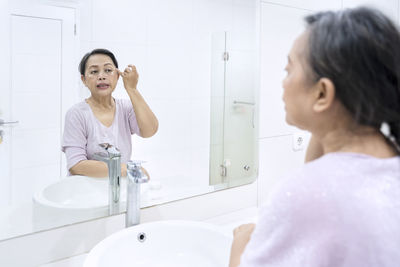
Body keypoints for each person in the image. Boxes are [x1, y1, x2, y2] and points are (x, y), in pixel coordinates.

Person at [229, 7, 400, 267]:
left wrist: (238, 247)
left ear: (322, 94)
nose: (283, 83)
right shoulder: (387, 163)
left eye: (289, 70)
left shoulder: (307, 194)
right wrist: (326, 124)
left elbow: (319, 187)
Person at [62, 48, 158, 177]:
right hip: (83, 190)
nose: (101, 76)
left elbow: (149, 130)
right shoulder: (77, 114)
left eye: (108, 70)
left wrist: (132, 89)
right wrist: (127, 169)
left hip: (117, 187)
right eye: (94, 71)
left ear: (118, 76)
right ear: (84, 79)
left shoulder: (126, 108)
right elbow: (76, 165)